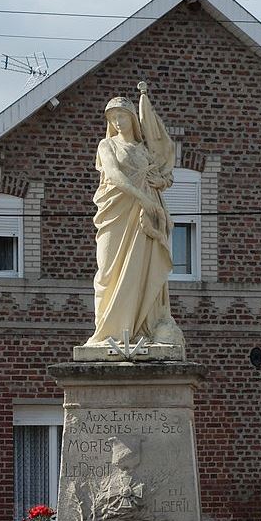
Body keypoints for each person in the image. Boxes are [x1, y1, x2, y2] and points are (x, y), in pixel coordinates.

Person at [85, 84, 185, 349]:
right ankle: (107, 332)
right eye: (113, 117)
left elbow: (160, 175)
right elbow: (115, 176)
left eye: (122, 116)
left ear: (132, 118)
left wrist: (156, 185)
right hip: (115, 215)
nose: (117, 122)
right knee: (108, 271)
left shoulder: (143, 151)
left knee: (142, 271)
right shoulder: (106, 145)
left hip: (144, 220)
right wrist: (141, 197)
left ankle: (142, 328)